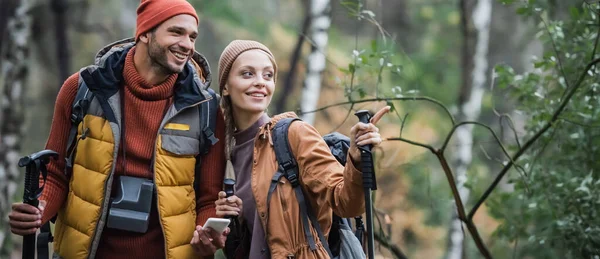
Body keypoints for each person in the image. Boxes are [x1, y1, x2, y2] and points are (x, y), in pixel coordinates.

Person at [8, 0, 228, 258]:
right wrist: (37, 212)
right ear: (145, 33)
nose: (188, 45)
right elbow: (56, 173)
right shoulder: (82, 89)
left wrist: (205, 233)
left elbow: (209, 198)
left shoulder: (207, 108)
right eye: (176, 32)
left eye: (192, 37)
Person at [200, 40, 389, 258]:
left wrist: (355, 158)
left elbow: (346, 203)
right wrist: (236, 220)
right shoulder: (226, 154)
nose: (260, 82)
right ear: (225, 86)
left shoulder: (293, 134)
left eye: (268, 75)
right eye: (247, 74)